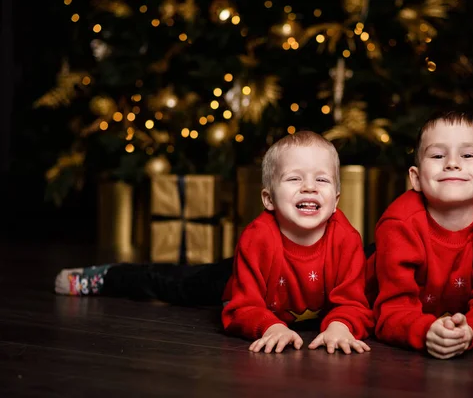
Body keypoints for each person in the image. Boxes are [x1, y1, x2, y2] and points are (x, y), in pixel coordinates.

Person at [55, 131, 374, 355]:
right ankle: (108, 276)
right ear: (268, 198)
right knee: (177, 284)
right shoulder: (257, 238)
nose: (309, 187)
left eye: (321, 179)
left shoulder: (346, 240)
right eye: (294, 179)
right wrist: (269, 327)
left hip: (304, 305)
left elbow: (352, 302)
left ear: (335, 201)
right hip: (242, 283)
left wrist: (342, 326)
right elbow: (242, 307)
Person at [371, 110, 473, 359]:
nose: (452, 163)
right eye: (438, 155)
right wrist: (425, 331)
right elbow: (391, 311)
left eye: (468, 155)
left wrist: (470, 332)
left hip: (452, 319)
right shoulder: (399, 223)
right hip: (383, 305)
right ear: (416, 178)